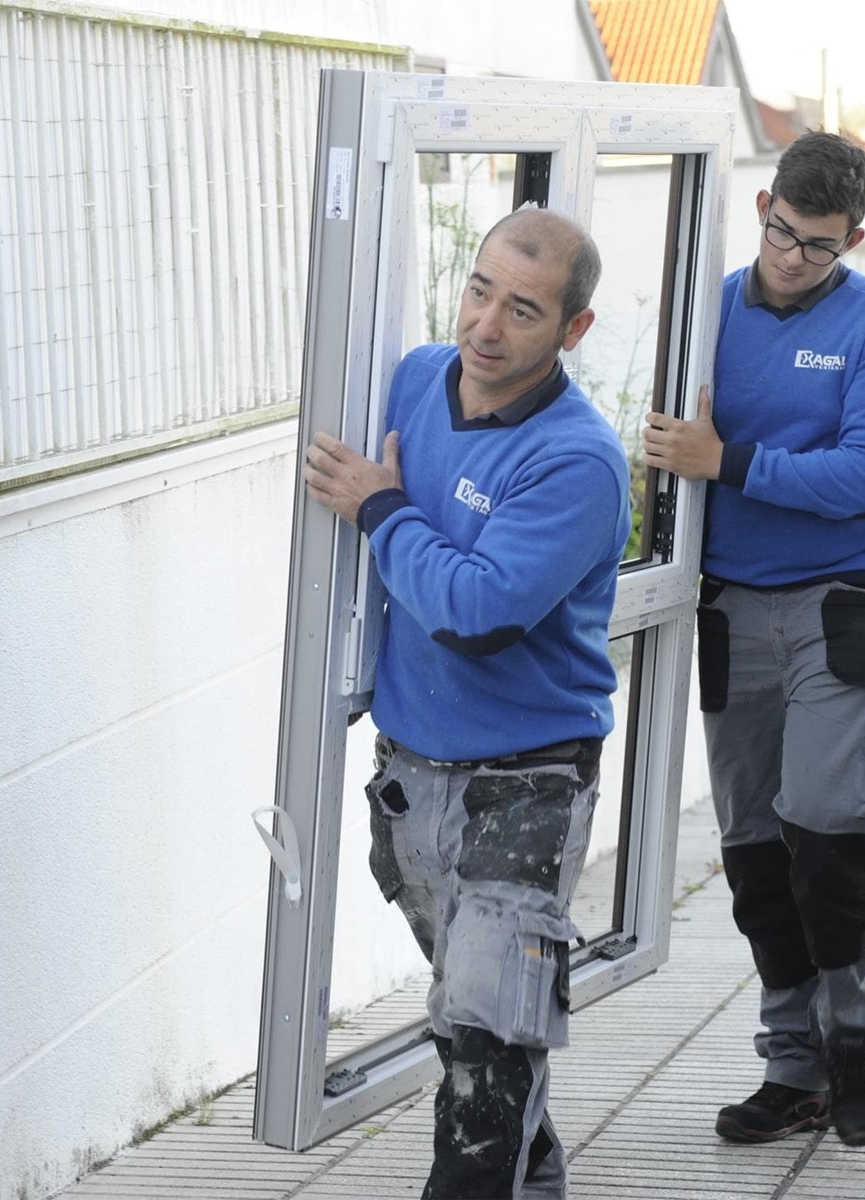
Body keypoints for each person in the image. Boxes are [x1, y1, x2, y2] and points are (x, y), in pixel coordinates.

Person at [302, 206, 630, 1199]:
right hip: (412, 777)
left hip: (524, 789)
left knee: (484, 1055)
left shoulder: (576, 461)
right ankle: (531, 1174)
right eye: (478, 290)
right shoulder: (410, 381)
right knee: (480, 1038)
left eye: (522, 309)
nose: (487, 324)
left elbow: (475, 611)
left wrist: (379, 508)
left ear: (572, 330)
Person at [641, 131, 865, 1148]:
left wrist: (728, 461)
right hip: (729, 602)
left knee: (825, 821)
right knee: (756, 849)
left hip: (842, 600)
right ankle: (791, 1067)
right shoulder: (704, 311)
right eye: (779, 234)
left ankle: (853, 1042)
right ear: (760, 204)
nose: (792, 258)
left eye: (817, 246)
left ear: (854, 236)